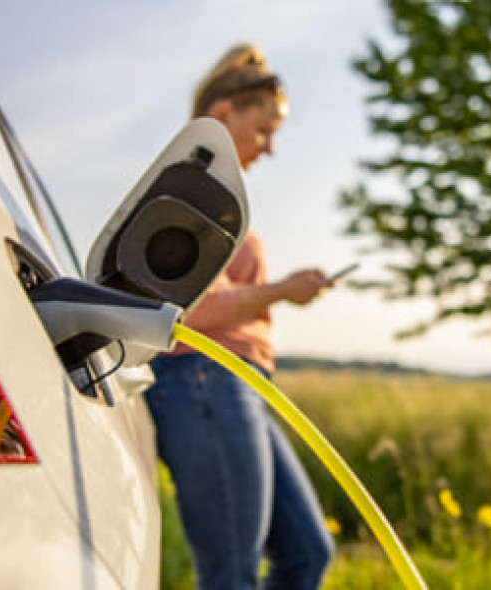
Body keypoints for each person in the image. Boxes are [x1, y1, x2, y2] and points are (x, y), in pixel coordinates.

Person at [145, 44, 335, 590]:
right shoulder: (186, 188)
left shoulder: (215, 191)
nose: (270, 148)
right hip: (202, 383)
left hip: (238, 387)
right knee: (231, 577)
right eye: (265, 129)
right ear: (224, 114)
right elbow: (191, 305)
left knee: (306, 554)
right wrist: (282, 290)